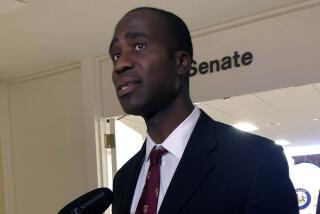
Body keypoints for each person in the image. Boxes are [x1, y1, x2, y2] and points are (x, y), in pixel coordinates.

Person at [108, 7, 298, 214]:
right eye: (116, 54)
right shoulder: (124, 178)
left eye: (139, 46)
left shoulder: (256, 160)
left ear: (181, 62)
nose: (120, 64)